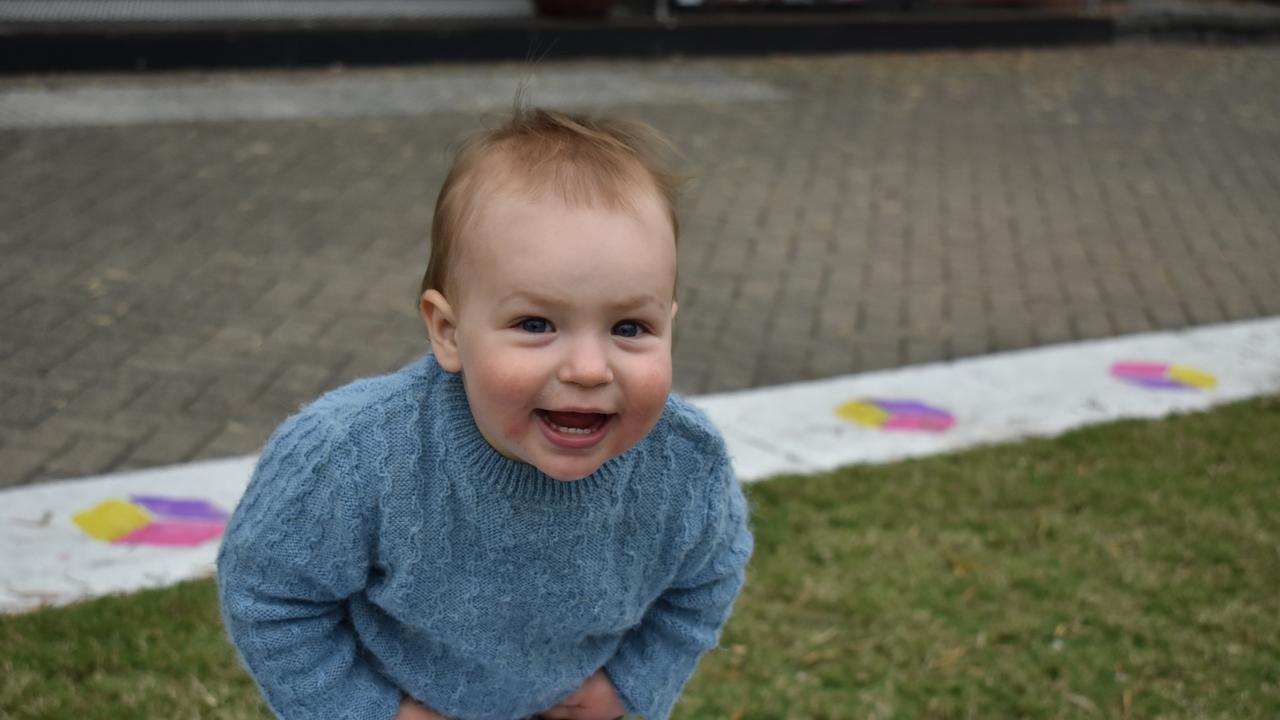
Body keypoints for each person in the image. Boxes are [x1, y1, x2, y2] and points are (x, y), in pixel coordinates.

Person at [217, 105, 753, 720]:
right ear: (448, 331)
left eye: (630, 327)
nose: (588, 368)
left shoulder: (685, 464)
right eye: (535, 324)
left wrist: (629, 687)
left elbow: (706, 579)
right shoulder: (350, 457)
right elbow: (270, 595)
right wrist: (370, 711)